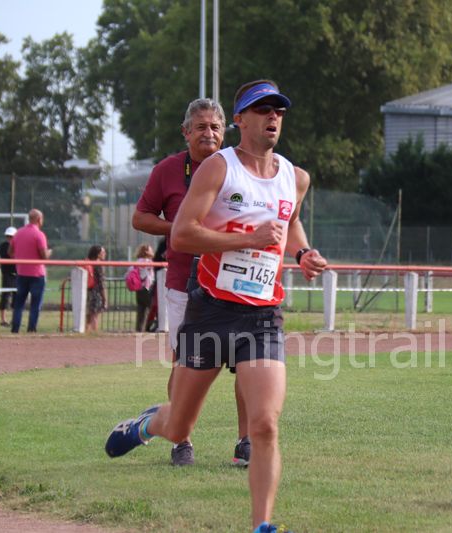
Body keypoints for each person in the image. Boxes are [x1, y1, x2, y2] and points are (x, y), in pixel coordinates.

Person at [106, 79, 327, 532]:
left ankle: (262, 525)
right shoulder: (218, 169)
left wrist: (303, 252)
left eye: (279, 111)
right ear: (240, 120)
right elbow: (183, 234)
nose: (273, 117)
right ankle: (145, 426)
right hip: (210, 311)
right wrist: (246, 239)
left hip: (263, 316)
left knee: (265, 426)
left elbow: (290, 222)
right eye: (262, 110)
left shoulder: (296, 177)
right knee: (179, 425)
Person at [131, 97, 249, 467]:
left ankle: (245, 442)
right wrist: (180, 228)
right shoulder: (167, 170)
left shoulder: (242, 167)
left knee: (248, 365)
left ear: (225, 131)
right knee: (184, 363)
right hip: (185, 282)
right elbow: (140, 217)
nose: (208, 133)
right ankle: (181, 441)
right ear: (186, 132)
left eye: (215, 127)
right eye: (200, 127)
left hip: (235, 281)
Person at [9, 209, 52, 333]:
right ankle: (31, 328)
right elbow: (44, 255)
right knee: (35, 304)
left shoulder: (18, 233)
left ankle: (15, 328)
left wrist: (20, 256)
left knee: (19, 304)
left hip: (21, 273)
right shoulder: (39, 235)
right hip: (37, 274)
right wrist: (49, 252)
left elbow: (10, 252)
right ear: (39, 219)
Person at [131, 243, 155, 332]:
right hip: (146, 287)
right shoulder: (147, 261)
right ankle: (148, 327)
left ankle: (139, 328)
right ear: (146, 251)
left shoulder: (138, 261)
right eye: (150, 250)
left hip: (139, 287)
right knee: (150, 307)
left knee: (141, 308)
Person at [0, 226, 17, 326]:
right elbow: (9, 254)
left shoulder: (18, 246)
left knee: (17, 296)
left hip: (17, 274)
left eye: (11, 236)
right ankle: (3, 319)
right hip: (7, 274)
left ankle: (15, 318)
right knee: (5, 296)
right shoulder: (3, 246)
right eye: (8, 236)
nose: (9, 238)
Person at [85, 245, 107, 332]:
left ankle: (86, 331)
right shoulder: (98, 265)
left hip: (89, 291)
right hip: (96, 293)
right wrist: (105, 298)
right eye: (103, 252)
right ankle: (94, 332)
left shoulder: (89, 263)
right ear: (98, 254)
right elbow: (101, 283)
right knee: (95, 315)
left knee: (89, 315)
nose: (105, 254)